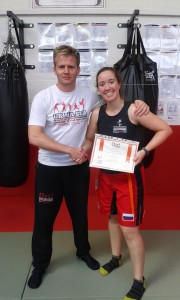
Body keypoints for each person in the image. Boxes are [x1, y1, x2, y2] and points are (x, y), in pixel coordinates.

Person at [27, 45, 149, 289]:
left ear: (78, 69)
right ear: (54, 69)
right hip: (49, 168)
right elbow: (34, 137)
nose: (66, 71)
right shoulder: (44, 98)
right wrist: (69, 150)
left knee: (79, 215)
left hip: (77, 169)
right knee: (44, 219)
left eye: (71, 67)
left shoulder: (89, 96)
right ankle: (40, 264)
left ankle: (83, 251)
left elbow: (114, 101)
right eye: (62, 66)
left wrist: (139, 102)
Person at [79, 67, 172, 300]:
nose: (107, 87)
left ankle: (139, 280)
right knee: (111, 219)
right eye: (102, 83)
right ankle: (116, 256)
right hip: (107, 177)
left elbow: (165, 129)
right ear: (98, 88)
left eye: (111, 82)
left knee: (129, 230)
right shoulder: (97, 114)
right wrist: (81, 152)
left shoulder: (134, 109)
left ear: (119, 83)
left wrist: (145, 151)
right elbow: (90, 139)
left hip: (128, 181)